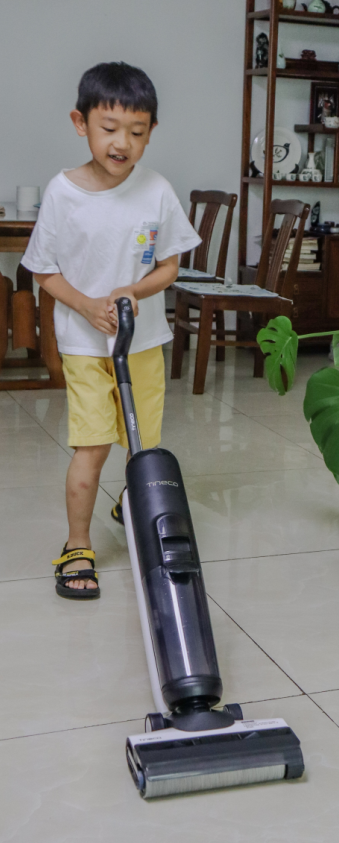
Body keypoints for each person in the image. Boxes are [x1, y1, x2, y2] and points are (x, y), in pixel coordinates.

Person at [22, 61, 201, 600]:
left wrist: (132, 292)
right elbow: (43, 271)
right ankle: (78, 544)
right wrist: (88, 305)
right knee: (93, 446)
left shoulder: (157, 191)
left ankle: (133, 501)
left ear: (150, 133)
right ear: (81, 123)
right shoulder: (62, 192)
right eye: (109, 128)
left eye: (138, 132)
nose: (122, 142)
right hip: (83, 345)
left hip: (143, 343)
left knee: (142, 446)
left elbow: (168, 267)